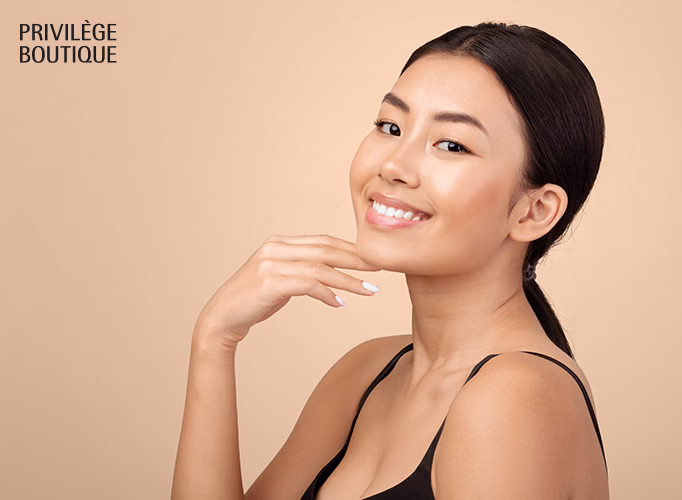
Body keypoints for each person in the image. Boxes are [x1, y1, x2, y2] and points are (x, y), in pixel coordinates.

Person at [172, 21, 608, 500]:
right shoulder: (367, 372)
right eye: (390, 127)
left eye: (452, 144)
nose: (393, 165)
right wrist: (215, 340)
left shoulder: (512, 398)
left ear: (534, 211)